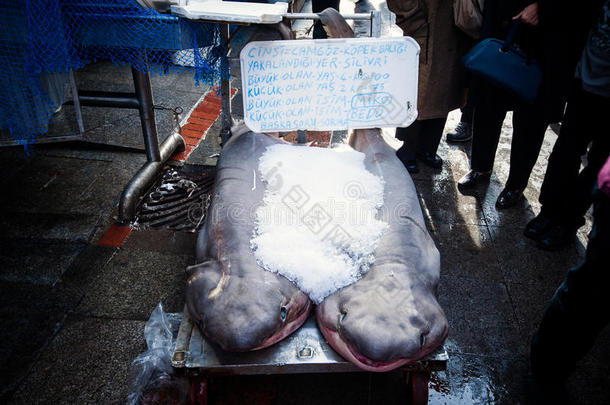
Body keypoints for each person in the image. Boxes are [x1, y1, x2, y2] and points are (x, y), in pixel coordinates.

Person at [457, 0, 600, 209]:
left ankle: (516, 184)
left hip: (548, 37)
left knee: (531, 118)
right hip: (504, 22)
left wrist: (542, 7)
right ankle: (480, 167)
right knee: (488, 104)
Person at [524, 1, 608, 250]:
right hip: (585, 76)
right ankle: (549, 211)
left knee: (598, 163)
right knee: (566, 150)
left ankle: (569, 220)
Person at [387, 0, 468, 174]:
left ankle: (428, 148)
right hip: (424, 25)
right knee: (417, 92)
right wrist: (414, 22)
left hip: (454, 28)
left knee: (444, 91)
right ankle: (407, 149)